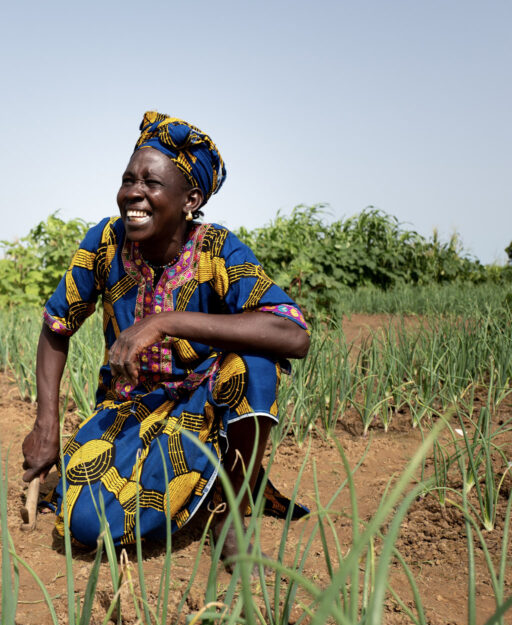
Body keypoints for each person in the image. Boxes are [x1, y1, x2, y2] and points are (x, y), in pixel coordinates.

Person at [21, 112, 310, 563]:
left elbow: (292, 332)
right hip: (127, 408)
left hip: (205, 406)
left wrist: (166, 321)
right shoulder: (105, 242)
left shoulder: (216, 249)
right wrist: (46, 424)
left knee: (255, 364)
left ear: (190, 198)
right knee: (87, 527)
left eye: (151, 183)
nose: (133, 193)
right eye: (128, 180)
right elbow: (57, 326)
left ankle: (229, 517)